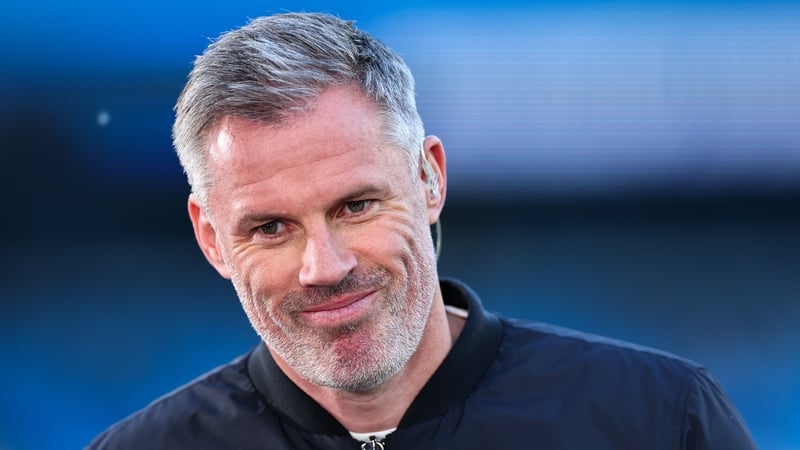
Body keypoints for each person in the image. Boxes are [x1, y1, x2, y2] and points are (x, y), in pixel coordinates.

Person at [87, 12, 757, 450]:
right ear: (211, 239)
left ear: (429, 179)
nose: (324, 266)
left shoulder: (659, 419)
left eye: (356, 206)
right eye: (270, 227)